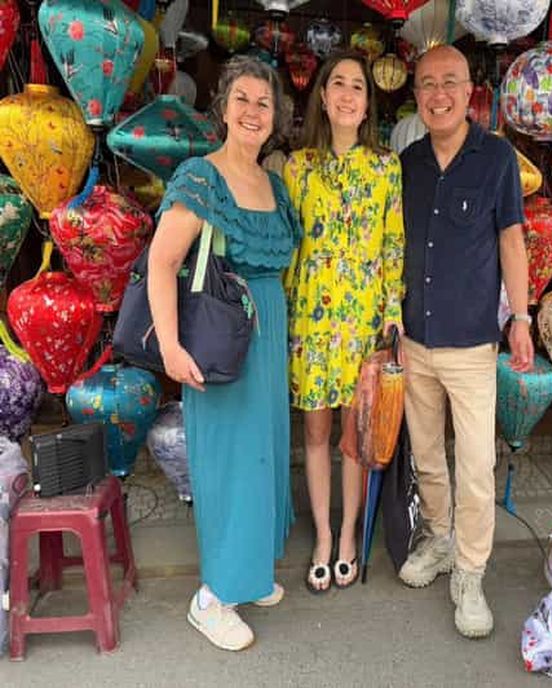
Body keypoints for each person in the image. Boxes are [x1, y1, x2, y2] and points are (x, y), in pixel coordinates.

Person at [147, 55, 301, 651]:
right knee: (229, 465)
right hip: (219, 339)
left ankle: (248, 571)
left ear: (276, 116)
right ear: (223, 108)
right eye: (242, 99)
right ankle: (212, 597)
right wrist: (169, 345)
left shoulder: (274, 185)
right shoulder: (201, 178)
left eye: (264, 103)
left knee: (262, 458)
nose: (253, 112)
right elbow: (162, 263)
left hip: (266, 339)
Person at [398, 45, 534, 638]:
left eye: (449, 82)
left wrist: (521, 318)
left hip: (472, 344)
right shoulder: (408, 163)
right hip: (414, 339)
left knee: (476, 465)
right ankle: (439, 538)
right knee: (426, 455)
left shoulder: (496, 157)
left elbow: (511, 241)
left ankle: (471, 572)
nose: (439, 95)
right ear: (417, 95)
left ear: (469, 91)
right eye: (428, 84)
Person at [283, 50, 404, 594]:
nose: (348, 94)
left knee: (354, 436)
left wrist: (393, 313)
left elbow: (393, 245)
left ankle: (350, 534)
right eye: (338, 83)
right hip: (310, 316)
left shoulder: (385, 167)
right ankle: (324, 536)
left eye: (358, 86)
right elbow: (288, 245)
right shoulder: (298, 167)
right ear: (324, 97)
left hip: (362, 319)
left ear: (367, 103)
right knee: (315, 431)